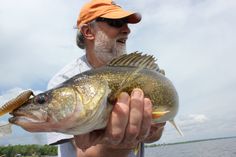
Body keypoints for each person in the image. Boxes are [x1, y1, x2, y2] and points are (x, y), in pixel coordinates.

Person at [47, 0, 166, 156]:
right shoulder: (64, 83)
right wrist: (121, 143)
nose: (127, 30)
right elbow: (85, 153)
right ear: (88, 31)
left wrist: (152, 129)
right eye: (116, 22)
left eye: (126, 23)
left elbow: (155, 135)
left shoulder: (137, 73)